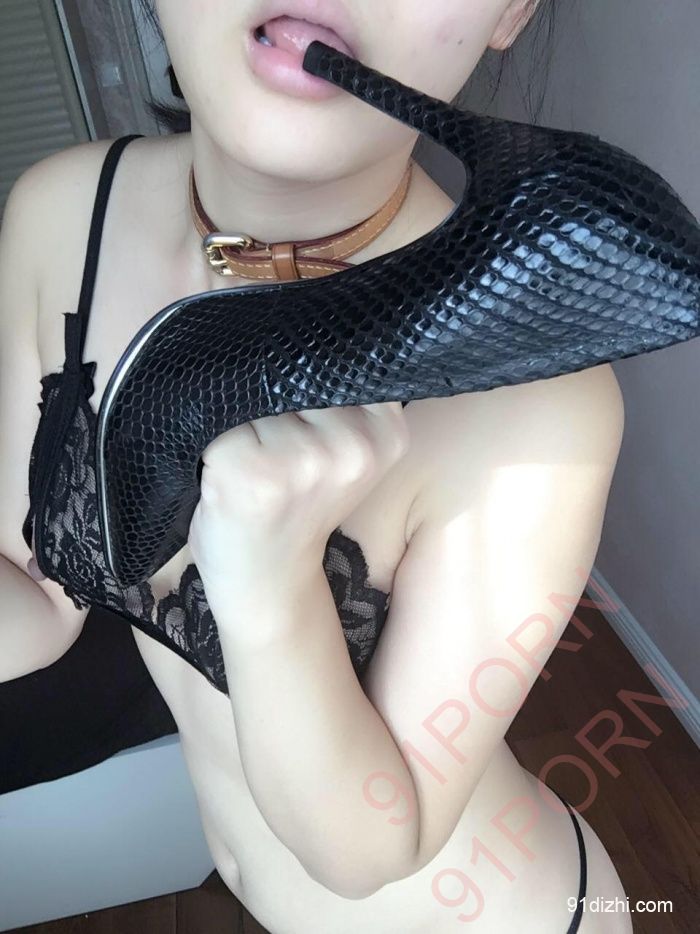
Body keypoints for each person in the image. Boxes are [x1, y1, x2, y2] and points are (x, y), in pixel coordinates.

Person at [0, 1, 635, 931]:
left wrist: (272, 586)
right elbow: (34, 591)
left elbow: (371, 849)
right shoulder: (62, 215)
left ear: (511, 11)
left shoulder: (542, 402)